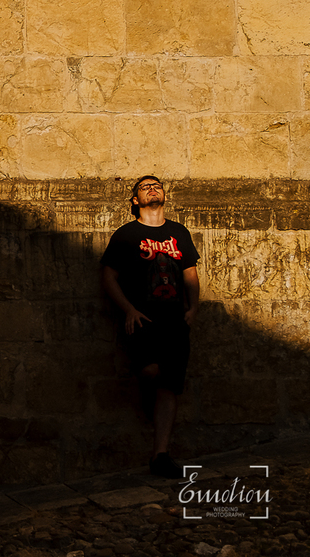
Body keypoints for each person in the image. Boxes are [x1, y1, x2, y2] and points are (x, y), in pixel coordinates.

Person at [100, 176, 201, 479]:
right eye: (144, 187)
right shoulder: (126, 235)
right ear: (135, 201)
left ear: (164, 195)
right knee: (149, 371)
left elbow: (190, 273)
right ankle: (149, 399)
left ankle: (161, 455)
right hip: (143, 318)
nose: (152, 189)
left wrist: (194, 308)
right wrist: (128, 309)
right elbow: (108, 275)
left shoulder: (178, 233)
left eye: (156, 185)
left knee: (170, 385)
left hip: (175, 320)